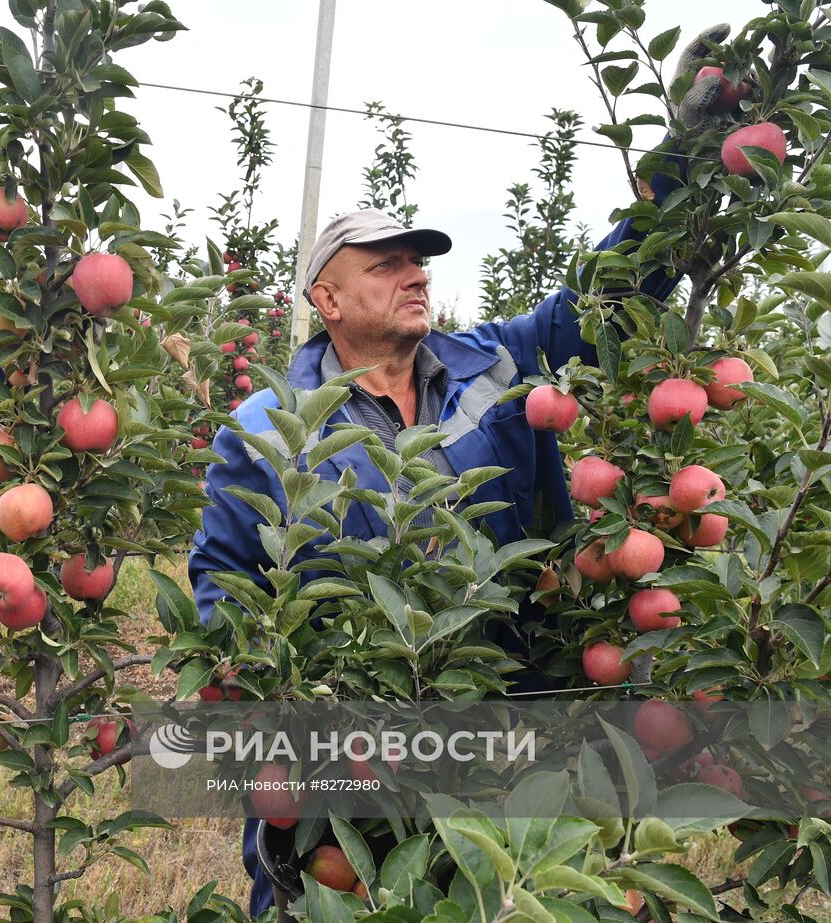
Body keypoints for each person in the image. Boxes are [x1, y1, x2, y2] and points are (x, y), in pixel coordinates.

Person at [190, 23, 741, 914]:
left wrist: (681, 156)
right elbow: (223, 579)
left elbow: (609, 290)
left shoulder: (496, 365)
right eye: (387, 264)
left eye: (419, 261)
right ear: (325, 298)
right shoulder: (268, 428)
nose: (415, 275)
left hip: (504, 733)